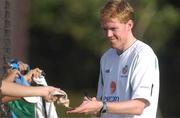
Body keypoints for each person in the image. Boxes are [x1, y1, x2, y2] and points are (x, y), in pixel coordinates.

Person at [67, 0, 159, 118]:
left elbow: (138, 106)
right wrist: (93, 106)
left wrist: (101, 106)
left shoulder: (143, 55)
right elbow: (102, 105)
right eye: (105, 29)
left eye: (113, 28)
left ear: (129, 25)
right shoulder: (106, 57)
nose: (108, 34)